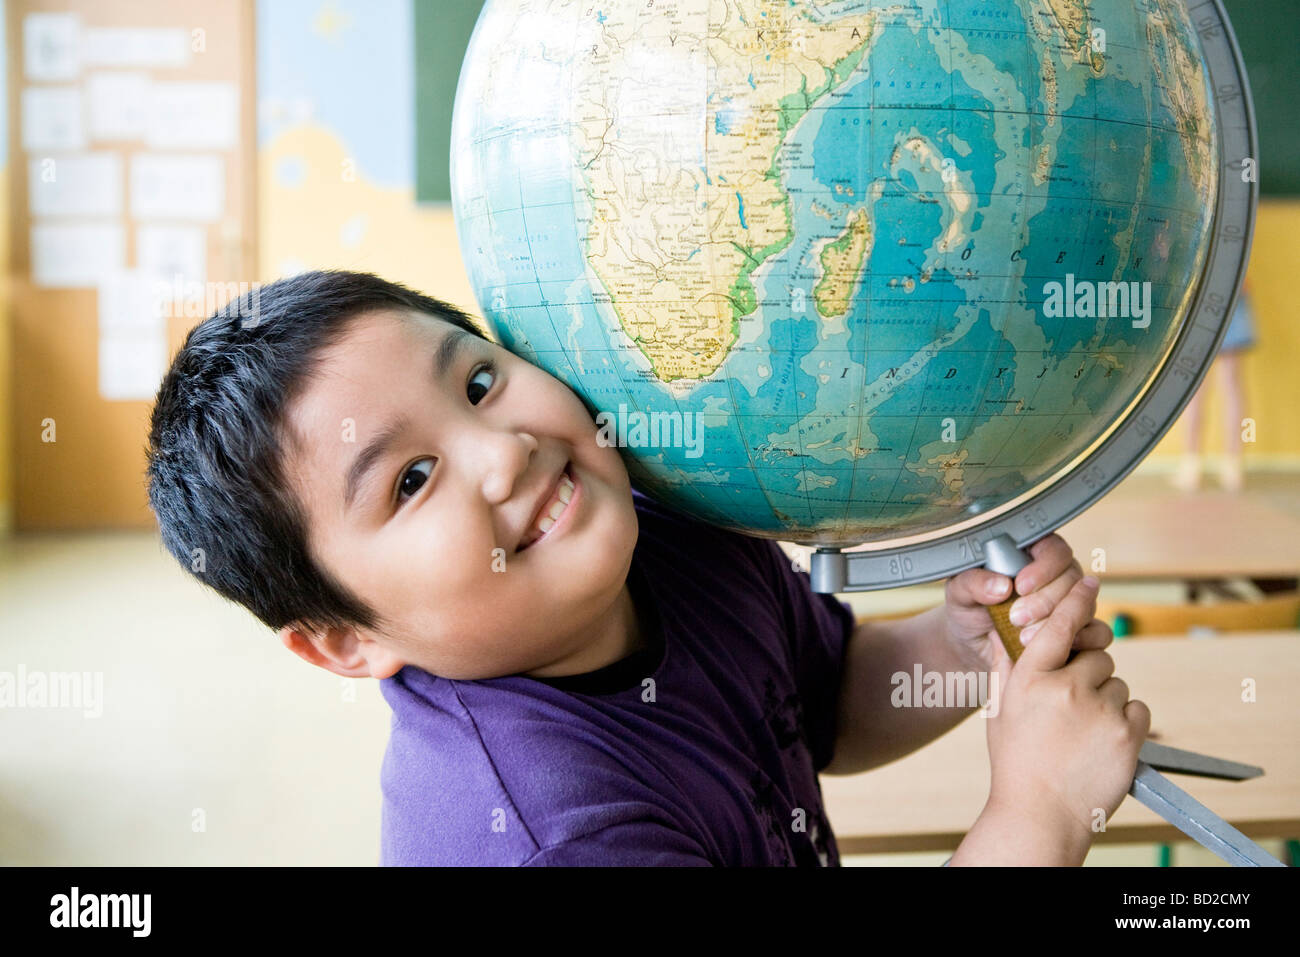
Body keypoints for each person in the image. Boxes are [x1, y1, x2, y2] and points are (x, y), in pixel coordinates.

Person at [145, 269, 1148, 866]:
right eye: (410, 480)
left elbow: (824, 702)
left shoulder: (674, 530)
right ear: (341, 641)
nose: (505, 452)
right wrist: (1040, 812)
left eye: (480, 380)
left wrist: (963, 650)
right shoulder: (550, 834)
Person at [1172, 279, 1257, 493]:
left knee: (1204, 387)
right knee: (1225, 386)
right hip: (1220, 296)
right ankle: (1225, 463)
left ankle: (1201, 463)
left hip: (1214, 298)